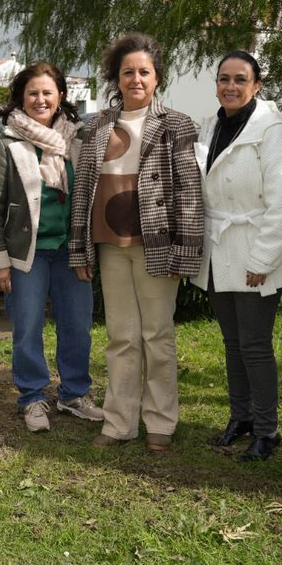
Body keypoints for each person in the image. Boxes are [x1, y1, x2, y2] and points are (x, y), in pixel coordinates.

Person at [70, 33, 204, 451]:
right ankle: (119, 422)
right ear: (117, 77)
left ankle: (161, 422)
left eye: (144, 71)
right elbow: (83, 191)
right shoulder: (96, 126)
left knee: (157, 336)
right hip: (110, 246)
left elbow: (189, 192)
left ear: (157, 78)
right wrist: (80, 249)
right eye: (128, 72)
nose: (136, 79)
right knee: (121, 336)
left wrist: (186, 250)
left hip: (157, 244)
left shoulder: (176, 124)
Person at [0, 62, 103, 433]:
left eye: (48, 92)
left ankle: (74, 394)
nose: (40, 99)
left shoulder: (75, 142)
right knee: (27, 328)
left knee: (77, 326)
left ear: (61, 97)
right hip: (25, 255)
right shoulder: (7, 144)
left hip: (71, 251)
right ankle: (33, 396)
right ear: (21, 97)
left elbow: (89, 197)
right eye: (33, 92)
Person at [192, 51, 282, 462]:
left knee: (255, 345)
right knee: (231, 342)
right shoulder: (212, 127)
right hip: (219, 251)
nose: (231, 86)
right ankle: (240, 418)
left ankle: (267, 429)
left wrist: (263, 259)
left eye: (241, 79)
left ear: (257, 86)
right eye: (224, 79)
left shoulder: (272, 132)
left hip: (254, 251)